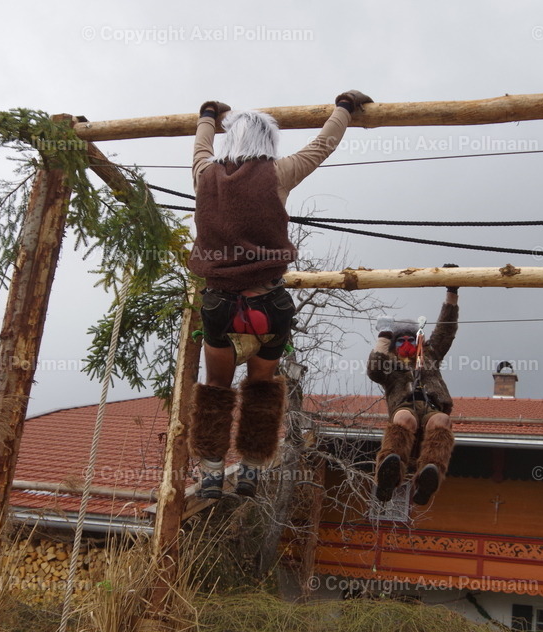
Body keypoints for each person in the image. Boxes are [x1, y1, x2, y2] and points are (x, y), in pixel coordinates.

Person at [188, 90, 373, 499]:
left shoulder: (204, 174)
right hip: (270, 305)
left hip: (220, 303)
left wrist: (207, 115)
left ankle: (212, 475)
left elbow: (201, 145)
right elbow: (324, 144)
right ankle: (252, 469)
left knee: (217, 389)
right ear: (268, 142)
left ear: (229, 139)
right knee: (262, 385)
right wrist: (343, 106)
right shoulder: (278, 173)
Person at [367, 273, 459, 506]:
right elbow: (373, 368)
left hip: (431, 405)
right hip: (405, 406)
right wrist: (384, 335)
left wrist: (452, 292)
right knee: (404, 418)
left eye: (411, 339)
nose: (407, 343)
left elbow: (445, 331)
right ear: (395, 345)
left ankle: (430, 476)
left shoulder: (429, 356)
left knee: (441, 421)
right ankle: (388, 477)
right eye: (401, 340)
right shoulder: (390, 366)